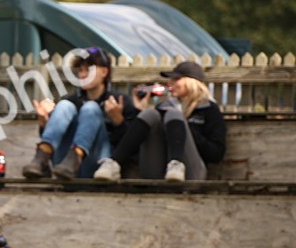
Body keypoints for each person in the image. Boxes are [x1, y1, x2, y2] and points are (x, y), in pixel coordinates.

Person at [93, 61, 226, 182]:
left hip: (191, 174)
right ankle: (113, 163)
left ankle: (176, 164)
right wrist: (138, 110)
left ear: (192, 82)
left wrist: (184, 128)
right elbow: (134, 148)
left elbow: (216, 154)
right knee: (149, 113)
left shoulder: (209, 109)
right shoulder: (164, 108)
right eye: (170, 79)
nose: (171, 83)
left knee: (173, 114)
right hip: (157, 171)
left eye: (176, 79)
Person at [23, 47, 136, 180]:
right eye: (80, 70)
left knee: (90, 108)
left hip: (99, 169)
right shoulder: (70, 101)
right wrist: (44, 123)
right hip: (63, 169)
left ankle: (76, 156)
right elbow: (56, 137)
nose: (82, 75)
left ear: (104, 72)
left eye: (88, 70)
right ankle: (41, 158)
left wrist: (118, 121)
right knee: (64, 106)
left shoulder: (119, 101)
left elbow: (130, 145)